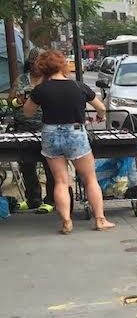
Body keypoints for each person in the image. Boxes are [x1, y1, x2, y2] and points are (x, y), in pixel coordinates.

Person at [23, 49, 114, 233]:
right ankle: (100, 219)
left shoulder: (41, 90)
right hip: (75, 133)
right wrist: (99, 117)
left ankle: (66, 220)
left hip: (50, 134)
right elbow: (101, 107)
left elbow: (27, 112)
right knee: (89, 178)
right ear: (63, 65)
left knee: (61, 181)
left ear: (43, 69)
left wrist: (41, 83)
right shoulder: (79, 86)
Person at [13, 48, 56, 214]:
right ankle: (33, 198)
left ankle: (51, 200)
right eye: (33, 63)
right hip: (24, 127)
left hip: (46, 127)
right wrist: (18, 100)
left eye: (39, 63)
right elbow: (12, 101)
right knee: (27, 164)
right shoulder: (22, 79)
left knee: (50, 164)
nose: (35, 66)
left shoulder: (50, 80)